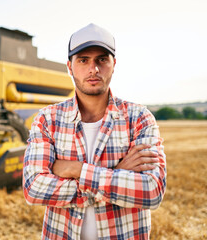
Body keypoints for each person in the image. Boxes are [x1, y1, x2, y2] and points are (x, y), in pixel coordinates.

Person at [23, 23, 166, 240]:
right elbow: (34, 189)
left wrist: (77, 170)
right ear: (70, 67)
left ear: (113, 64)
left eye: (102, 59)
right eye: (83, 60)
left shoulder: (139, 118)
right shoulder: (47, 119)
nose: (93, 69)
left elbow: (152, 191)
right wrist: (117, 173)